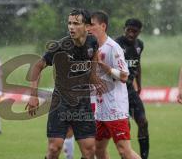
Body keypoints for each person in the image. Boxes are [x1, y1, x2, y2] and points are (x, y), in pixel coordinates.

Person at [26, 9, 102, 159]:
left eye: (76, 23)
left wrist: (93, 77)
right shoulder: (60, 46)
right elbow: (37, 66)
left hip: (83, 103)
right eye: (69, 23)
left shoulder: (93, 41)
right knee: (54, 148)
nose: (71, 27)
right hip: (61, 103)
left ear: (87, 27)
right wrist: (33, 95)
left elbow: (94, 56)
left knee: (89, 150)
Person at [88, 11, 141, 159]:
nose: (88, 28)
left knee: (124, 151)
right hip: (100, 109)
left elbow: (124, 76)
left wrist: (104, 66)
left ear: (103, 26)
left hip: (115, 109)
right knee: (98, 150)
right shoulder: (92, 48)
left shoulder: (112, 47)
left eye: (92, 25)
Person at [115, 19, 149, 159]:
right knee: (125, 127)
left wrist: (139, 84)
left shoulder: (139, 45)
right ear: (124, 29)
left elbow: (138, 64)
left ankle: (144, 156)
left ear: (139, 32)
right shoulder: (116, 44)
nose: (131, 33)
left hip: (130, 90)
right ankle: (127, 156)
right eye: (128, 30)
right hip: (117, 91)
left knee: (143, 122)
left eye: (134, 31)